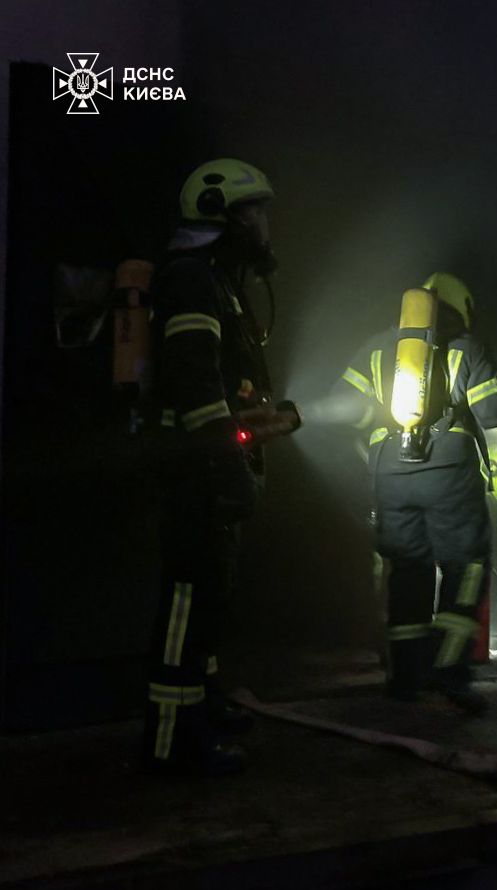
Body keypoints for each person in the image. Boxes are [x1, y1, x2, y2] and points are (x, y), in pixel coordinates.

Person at [143, 158, 300, 775]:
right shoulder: (189, 278)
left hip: (209, 463)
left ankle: (201, 706)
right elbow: (195, 382)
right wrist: (224, 462)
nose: (263, 224)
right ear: (218, 213)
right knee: (187, 599)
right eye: (253, 210)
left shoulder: (217, 281)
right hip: (193, 469)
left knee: (209, 595)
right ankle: (171, 741)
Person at [334, 273, 497, 714]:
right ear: (462, 307)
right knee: (466, 567)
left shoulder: (378, 347)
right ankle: (450, 671)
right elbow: (494, 410)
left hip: (390, 477)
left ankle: (404, 678)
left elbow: (345, 406)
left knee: (407, 571)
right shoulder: (465, 347)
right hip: (449, 475)